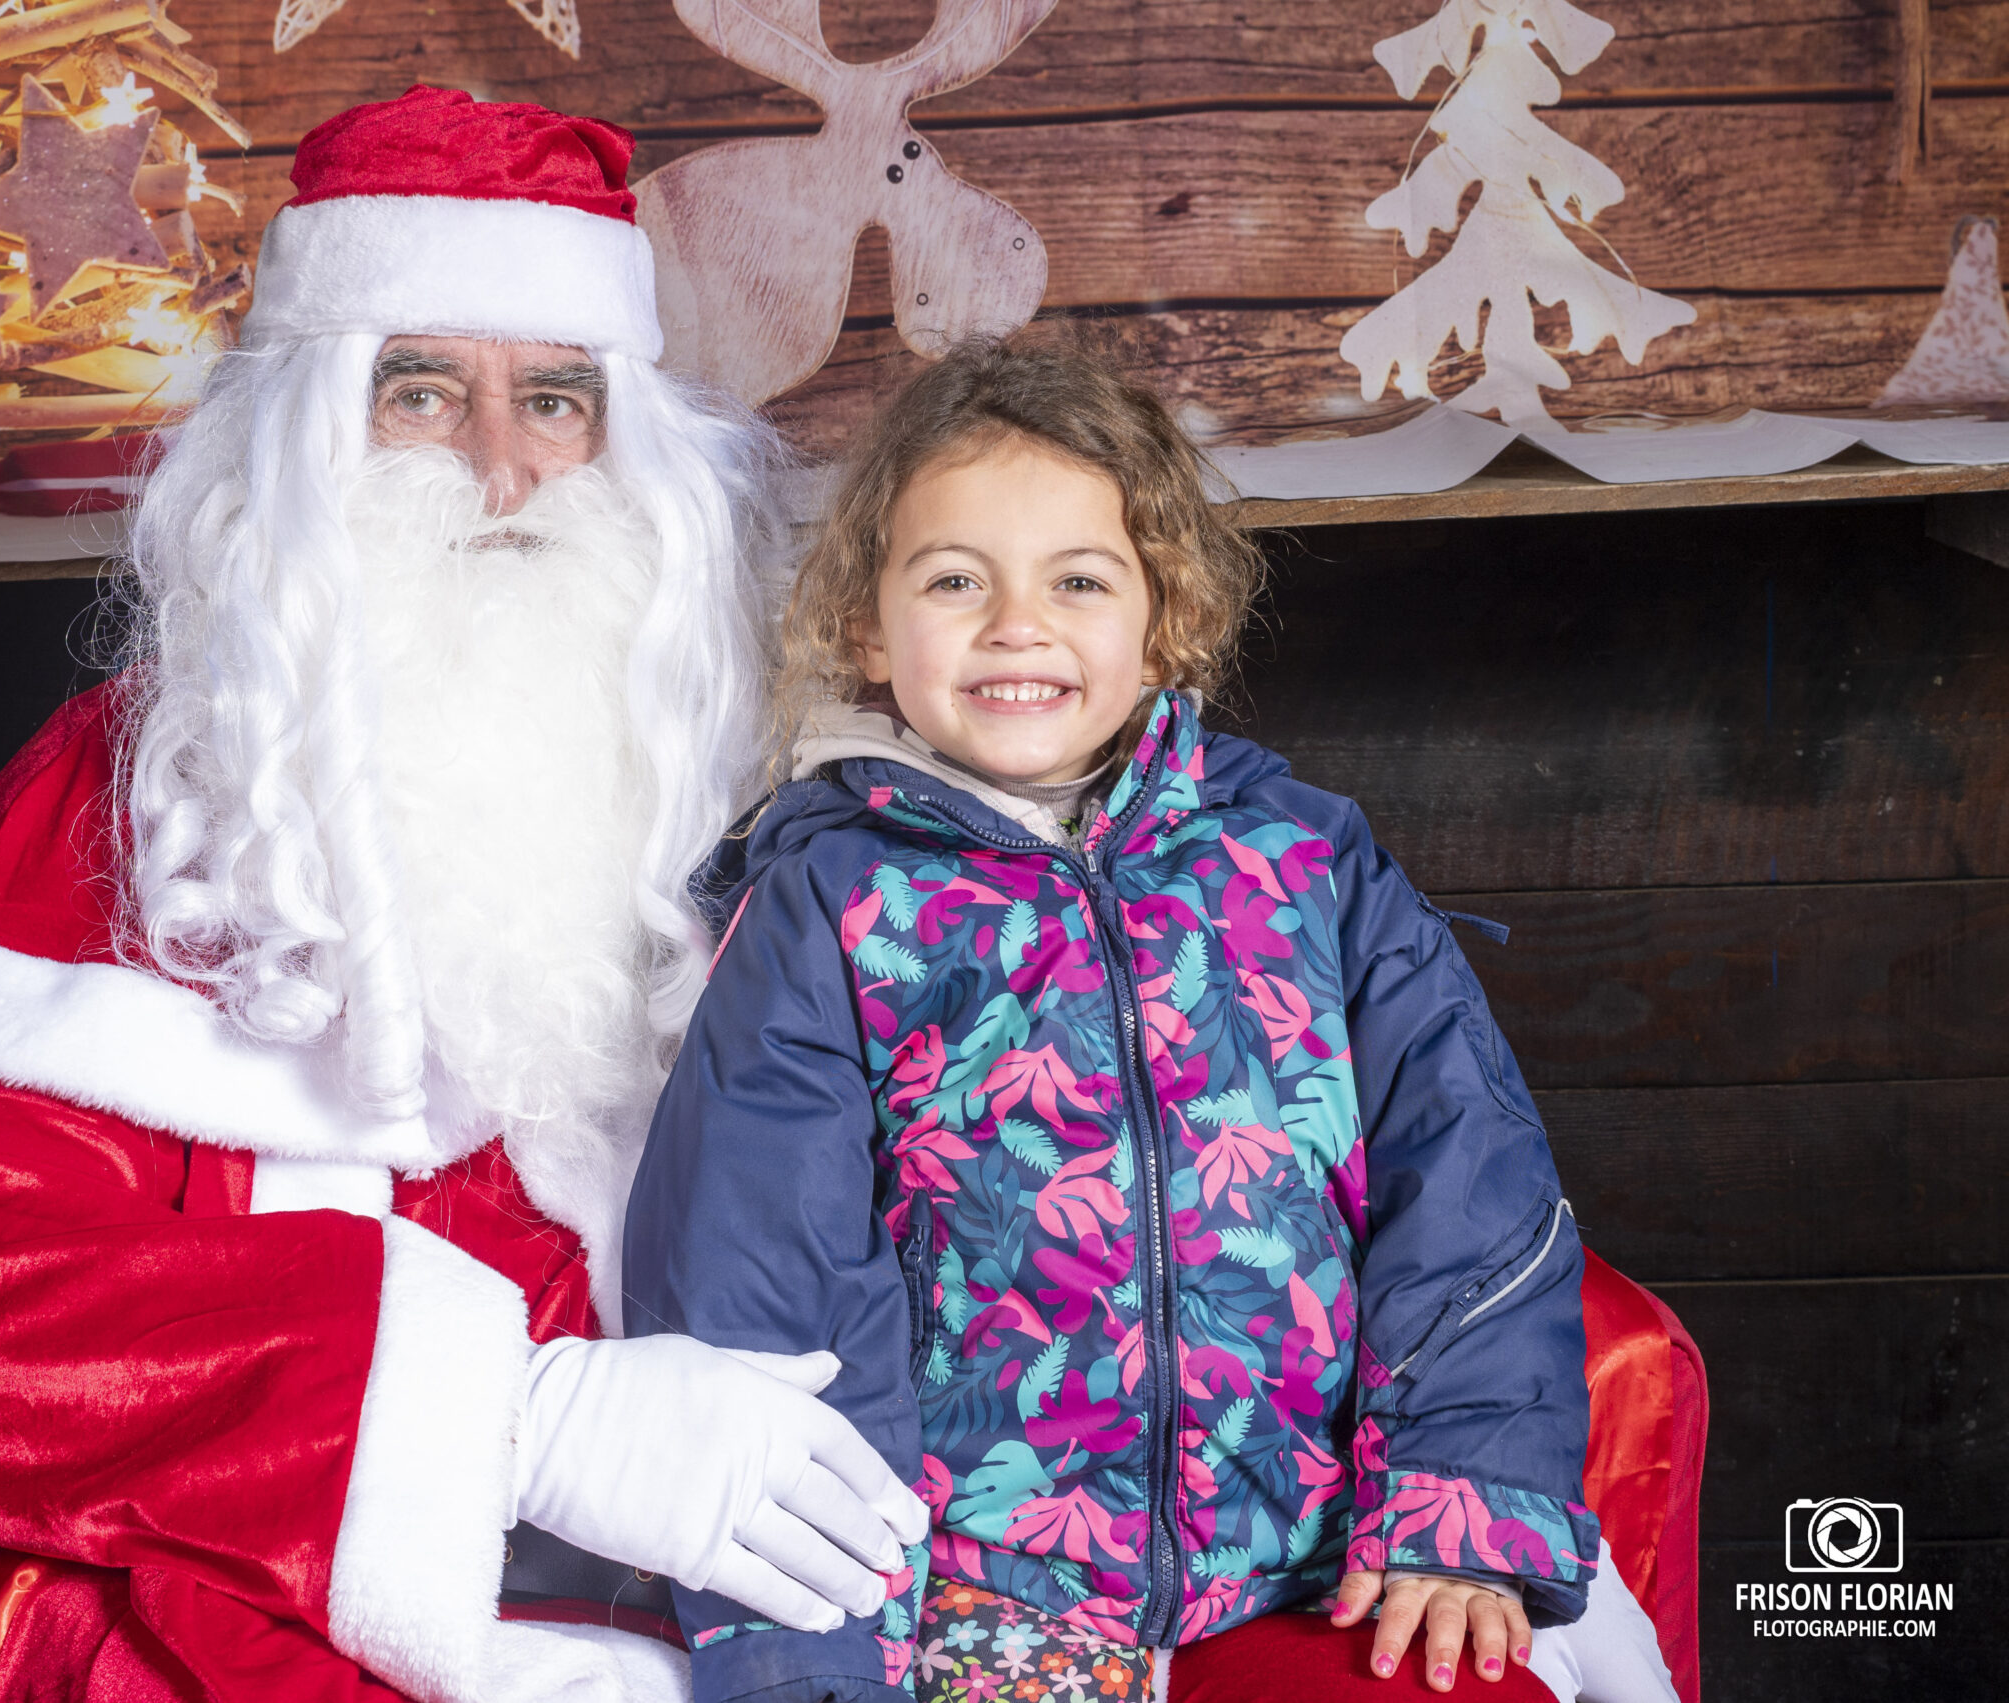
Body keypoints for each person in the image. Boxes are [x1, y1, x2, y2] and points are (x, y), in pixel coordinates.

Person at [0, 86, 924, 1703]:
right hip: (253, 1596)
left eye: (555, 402)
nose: (500, 469)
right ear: (305, 437)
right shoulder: (142, 804)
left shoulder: (704, 777)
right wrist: (521, 1421)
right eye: (420, 394)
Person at [623, 339, 1648, 1702]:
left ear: (1164, 618)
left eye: (1079, 580)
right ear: (871, 625)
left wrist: (1458, 1503)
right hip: (981, 1579)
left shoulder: (1304, 861)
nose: (1015, 625)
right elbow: (763, 1273)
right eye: (952, 580)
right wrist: (822, 1640)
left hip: (1318, 1547)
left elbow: (1467, 1178)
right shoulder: (832, 905)